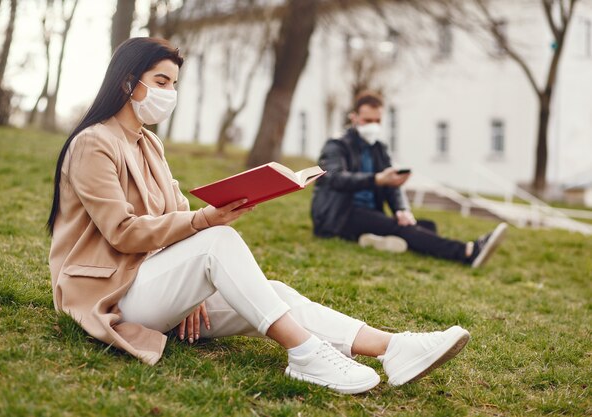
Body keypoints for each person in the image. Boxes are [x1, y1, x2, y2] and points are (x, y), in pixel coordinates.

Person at [47, 38, 470, 394]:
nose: (169, 93)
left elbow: (175, 213)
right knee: (217, 240)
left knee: (277, 293)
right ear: (127, 82)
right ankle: (304, 353)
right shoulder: (93, 143)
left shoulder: (149, 145)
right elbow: (122, 232)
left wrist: (187, 284)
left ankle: (394, 348)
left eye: (174, 84)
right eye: (161, 81)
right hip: (112, 296)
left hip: (150, 282)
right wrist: (202, 225)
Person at [311, 91, 508, 268]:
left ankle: (376, 238)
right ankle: (467, 251)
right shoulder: (336, 145)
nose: (373, 126)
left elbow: (392, 185)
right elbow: (335, 178)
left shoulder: (379, 148)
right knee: (406, 230)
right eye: (367, 120)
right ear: (354, 118)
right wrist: (376, 179)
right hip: (339, 215)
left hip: (369, 213)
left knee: (425, 226)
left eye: (377, 121)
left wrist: (401, 210)